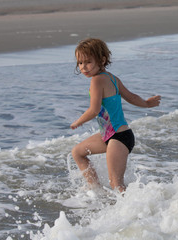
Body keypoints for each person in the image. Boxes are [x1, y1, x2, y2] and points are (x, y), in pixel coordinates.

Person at [70, 38, 161, 192]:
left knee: (116, 184)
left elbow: (94, 109)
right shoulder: (112, 78)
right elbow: (131, 97)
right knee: (77, 152)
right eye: (80, 63)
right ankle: (94, 189)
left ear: (102, 60)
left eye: (88, 62)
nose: (83, 67)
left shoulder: (97, 81)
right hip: (111, 135)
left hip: (119, 138)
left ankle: (132, 211)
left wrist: (78, 121)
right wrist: (146, 103)